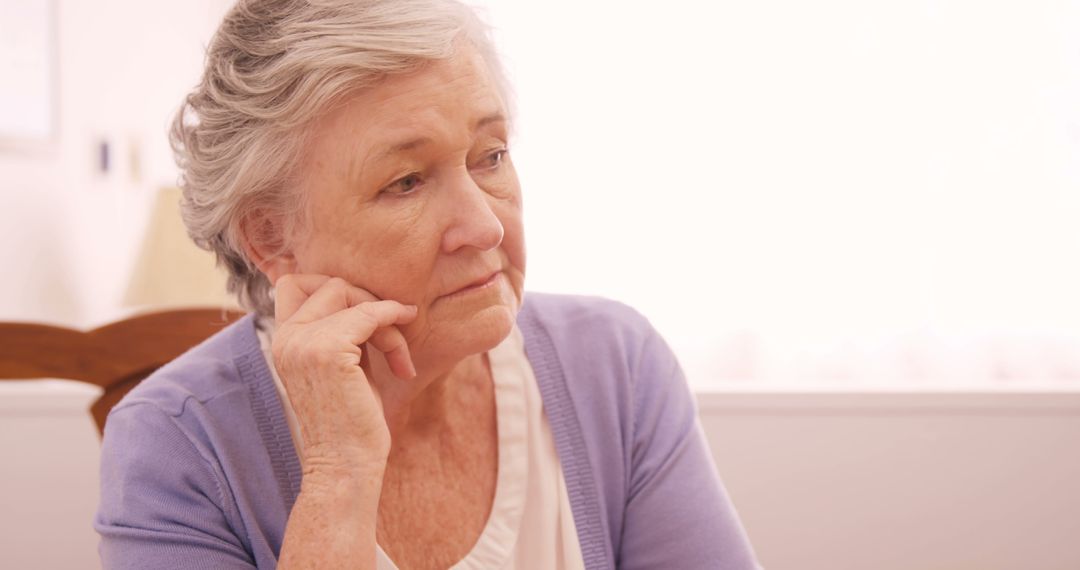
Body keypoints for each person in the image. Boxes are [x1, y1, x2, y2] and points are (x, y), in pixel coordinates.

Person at [94, 0, 761, 568]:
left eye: (490, 156)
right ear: (271, 237)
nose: (485, 228)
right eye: (405, 181)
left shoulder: (617, 367)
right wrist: (336, 477)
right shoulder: (177, 441)